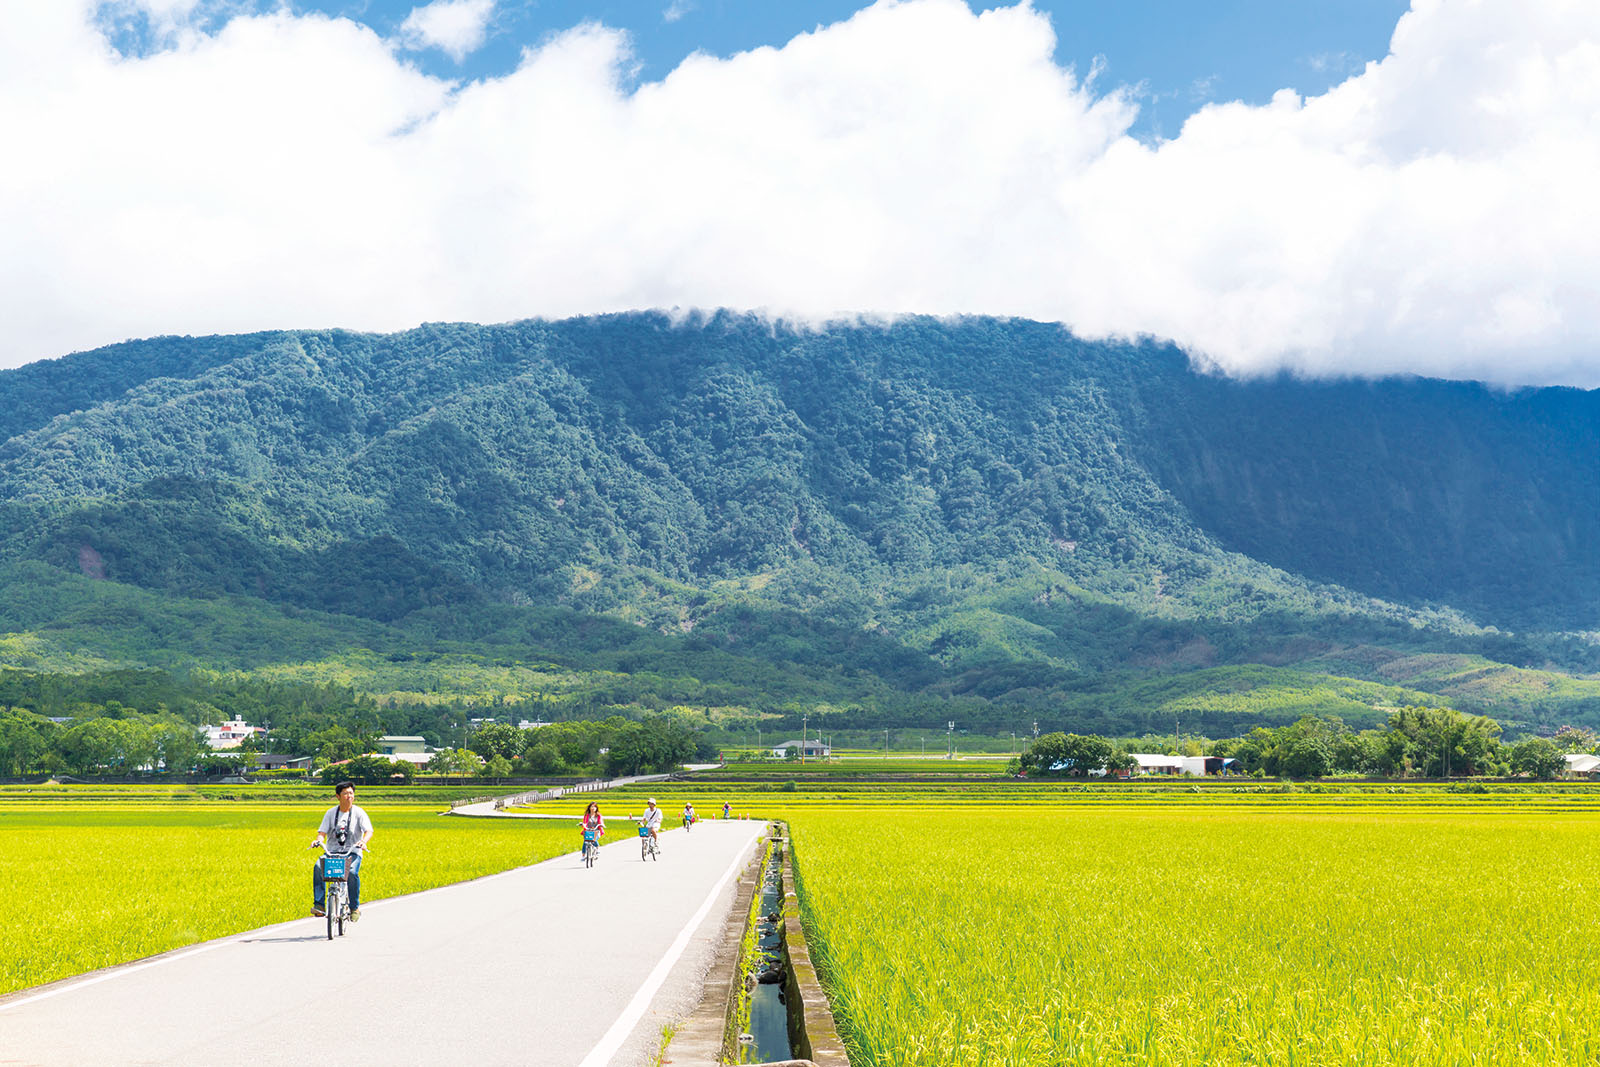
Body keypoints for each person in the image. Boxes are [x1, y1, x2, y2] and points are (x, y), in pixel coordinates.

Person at [312, 780, 373, 920]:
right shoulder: (331, 813)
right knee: (317, 868)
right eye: (345, 793)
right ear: (338, 796)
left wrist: (363, 842)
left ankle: (354, 908)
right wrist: (318, 841)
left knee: (351, 873)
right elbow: (322, 832)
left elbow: (368, 831)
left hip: (352, 852)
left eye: (351, 793)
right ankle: (319, 905)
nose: (349, 796)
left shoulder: (359, 812)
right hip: (332, 852)